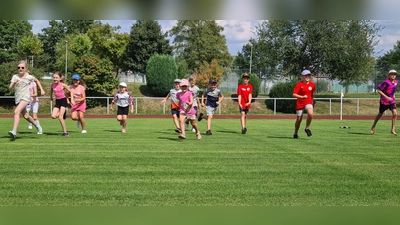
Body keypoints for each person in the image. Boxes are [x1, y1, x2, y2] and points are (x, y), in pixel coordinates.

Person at [8, 60, 45, 139]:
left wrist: (41, 90)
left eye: (22, 67)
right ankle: (37, 125)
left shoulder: (29, 77)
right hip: (18, 98)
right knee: (26, 116)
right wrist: (14, 83)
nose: (20, 69)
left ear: (25, 68)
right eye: (19, 67)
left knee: (16, 112)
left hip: (26, 98)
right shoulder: (15, 76)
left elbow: (37, 81)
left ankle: (14, 131)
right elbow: (10, 89)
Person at [370, 69, 398, 136]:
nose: (393, 76)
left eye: (394, 74)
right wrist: (387, 97)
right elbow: (379, 91)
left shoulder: (396, 82)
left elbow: (393, 91)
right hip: (384, 101)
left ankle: (393, 130)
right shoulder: (386, 82)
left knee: (395, 114)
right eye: (392, 74)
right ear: (389, 75)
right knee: (380, 114)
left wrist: (394, 98)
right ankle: (373, 126)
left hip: (392, 101)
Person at [292, 69, 316, 139]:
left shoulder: (312, 85)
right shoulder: (299, 84)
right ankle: (295, 133)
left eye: (308, 75)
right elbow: (294, 94)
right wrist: (302, 96)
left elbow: (311, 94)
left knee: (310, 114)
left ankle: (307, 128)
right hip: (300, 103)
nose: (307, 77)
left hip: (308, 102)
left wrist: (311, 101)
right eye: (306, 75)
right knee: (299, 120)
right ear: (302, 77)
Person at [50, 71, 74, 137]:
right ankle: (63, 113)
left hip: (63, 101)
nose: (55, 79)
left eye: (56, 77)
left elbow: (71, 91)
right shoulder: (52, 84)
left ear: (60, 78)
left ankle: (65, 133)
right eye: (54, 77)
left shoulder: (63, 85)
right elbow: (51, 90)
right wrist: (51, 97)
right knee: (53, 116)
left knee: (60, 117)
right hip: (57, 101)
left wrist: (71, 100)